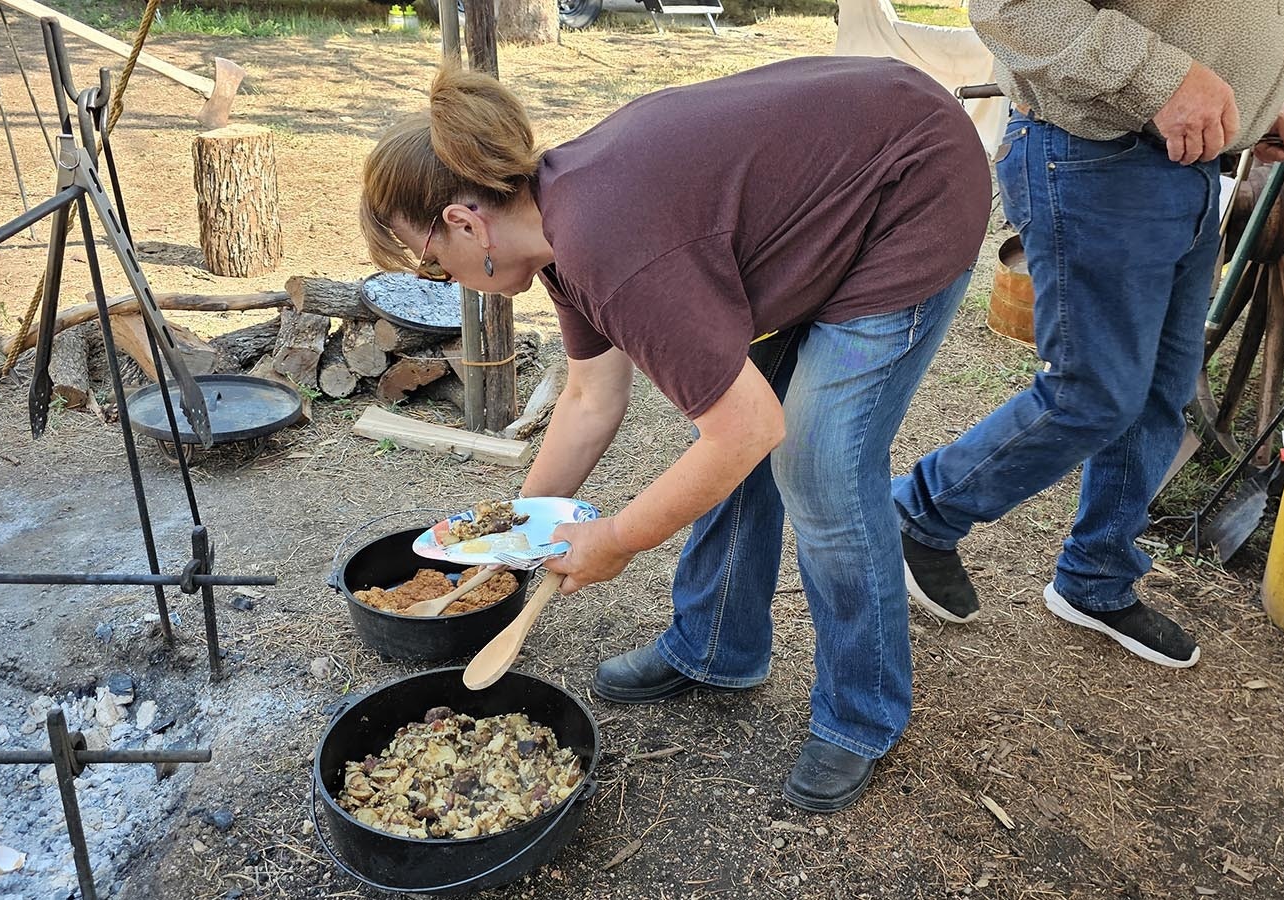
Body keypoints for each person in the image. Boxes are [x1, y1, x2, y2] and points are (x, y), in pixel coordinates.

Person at [359, 56, 990, 812]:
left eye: (435, 266)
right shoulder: (557, 238)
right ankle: (717, 645)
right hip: (830, 196)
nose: (448, 282)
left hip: (911, 184)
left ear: (465, 223)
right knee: (746, 423)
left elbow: (744, 432)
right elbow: (592, 398)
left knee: (817, 462)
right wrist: (510, 538)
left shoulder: (610, 246)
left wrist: (620, 537)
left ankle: (862, 714)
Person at [894, 1, 1284, 667]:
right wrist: (1166, 81)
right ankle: (917, 514)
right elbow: (1015, 8)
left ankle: (1095, 578)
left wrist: (1251, 109)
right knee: (1092, 394)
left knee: (1159, 392)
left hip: (1189, 165)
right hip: (1097, 159)